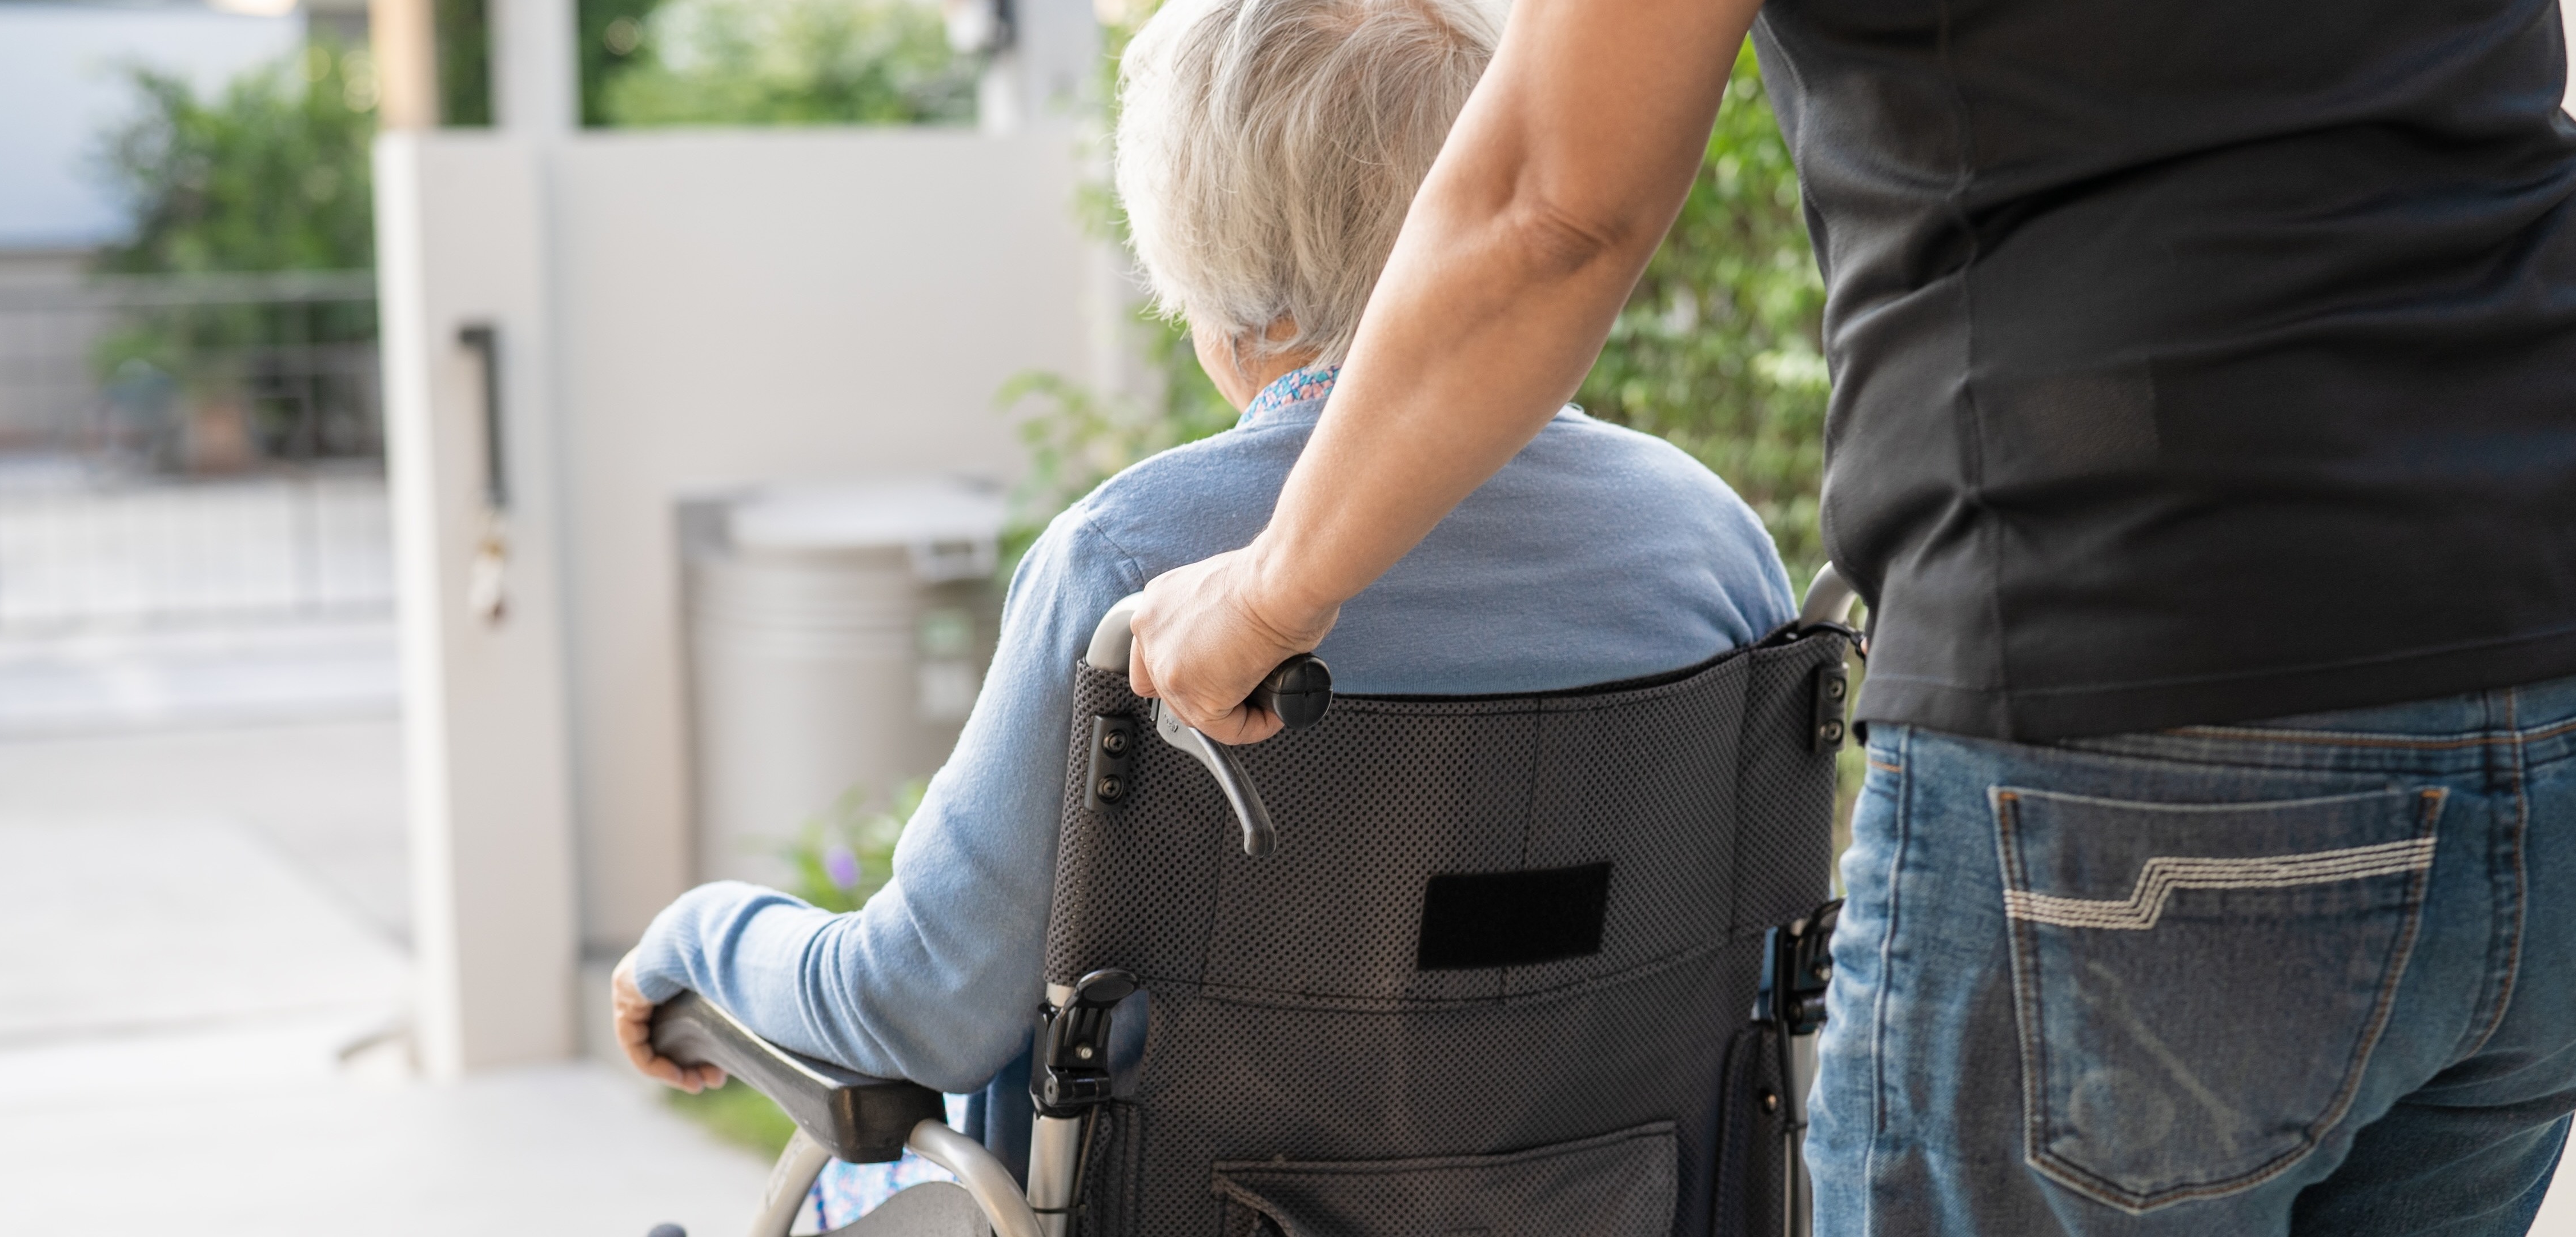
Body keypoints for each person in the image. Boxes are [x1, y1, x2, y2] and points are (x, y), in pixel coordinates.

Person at [1124, 0, 2576, 1231]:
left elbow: (1549, 200)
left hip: (2137, 699)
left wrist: (1270, 587)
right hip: (2564, 661)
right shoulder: (1697, 537)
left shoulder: (1120, 545)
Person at [608, 0, 1796, 1219]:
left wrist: (700, 937)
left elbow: (924, 1008)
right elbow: (1754, 977)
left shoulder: (1130, 565)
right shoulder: (1709, 552)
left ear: (1237, 296)